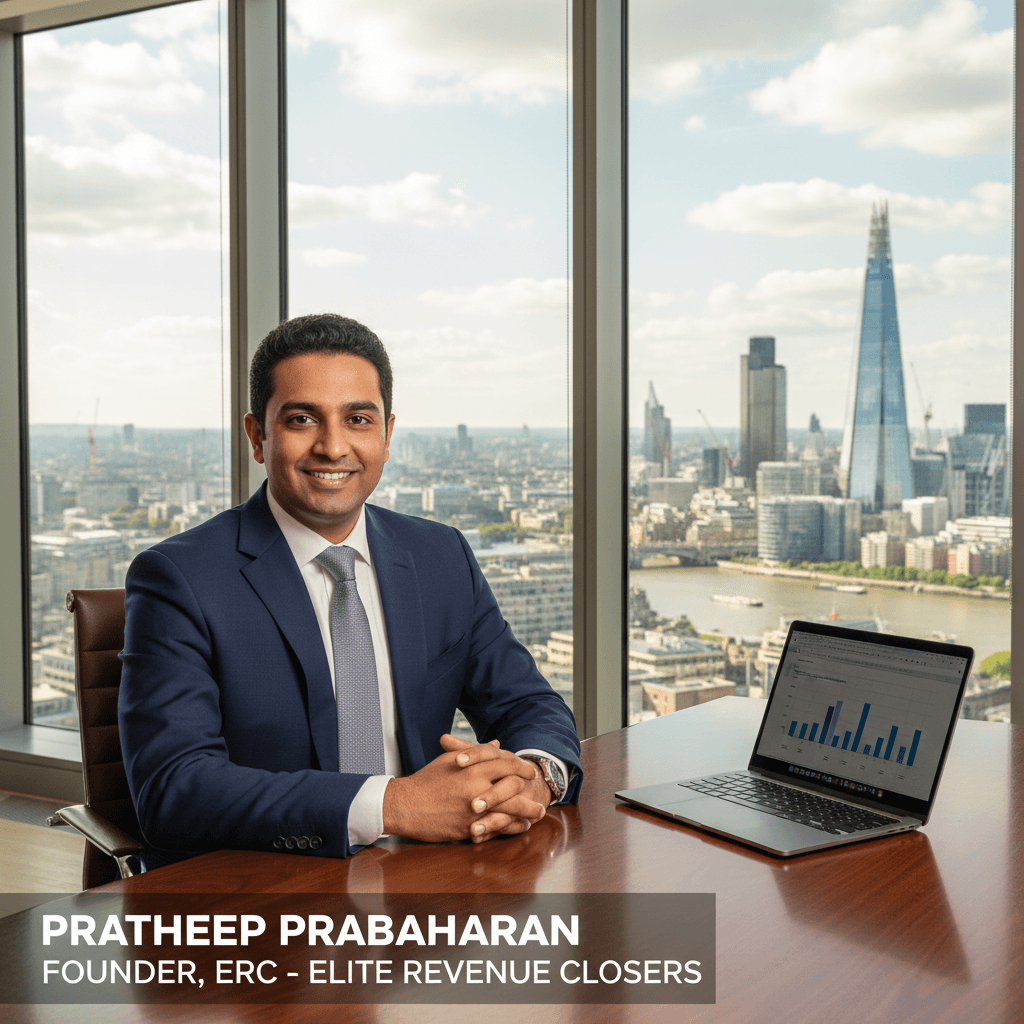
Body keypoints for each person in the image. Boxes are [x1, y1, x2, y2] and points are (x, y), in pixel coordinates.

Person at [119, 313, 581, 864]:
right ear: (257, 437)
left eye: (358, 419)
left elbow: (527, 702)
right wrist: (393, 805)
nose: (333, 447)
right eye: (301, 419)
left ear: (387, 436)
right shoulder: (179, 579)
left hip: (431, 877)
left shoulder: (441, 556)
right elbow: (175, 789)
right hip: (269, 894)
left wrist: (534, 777)